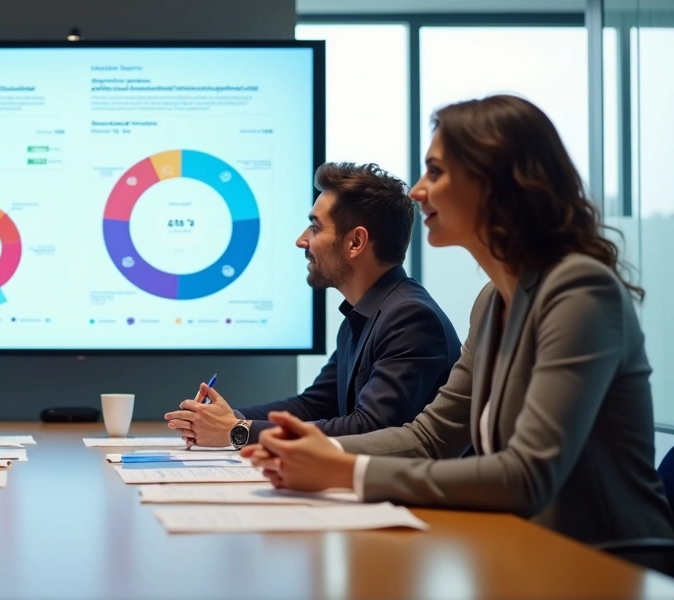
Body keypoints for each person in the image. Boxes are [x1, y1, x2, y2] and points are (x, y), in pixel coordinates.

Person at [244, 95, 674, 553]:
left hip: (611, 566)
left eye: (435, 171)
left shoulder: (580, 290)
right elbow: (430, 438)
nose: (416, 190)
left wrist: (344, 469)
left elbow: (526, 475)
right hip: (523, 553)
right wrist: (319, 451)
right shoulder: (492, 302)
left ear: (493, 183)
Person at [165, 163, 460, 449]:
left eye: (315, 228)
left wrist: (236, 431)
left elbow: (371, 429)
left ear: (356, 242)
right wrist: (228, 419)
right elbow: (315, 404)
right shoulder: (362, 317)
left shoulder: (410, 318)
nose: (301, 240)